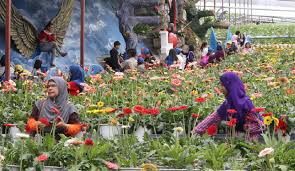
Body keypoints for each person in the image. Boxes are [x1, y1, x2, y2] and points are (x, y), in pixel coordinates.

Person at [194, 72, 263, 141]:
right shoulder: (227, 103)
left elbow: (259, 126)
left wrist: (244, 129)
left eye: (222, 85)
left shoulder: (246, 103)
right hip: (236, 139)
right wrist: (196, 131)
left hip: (253, 140)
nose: (220, 89)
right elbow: (213, 118)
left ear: (230, 86)